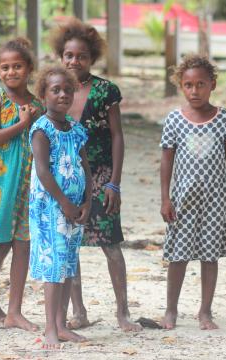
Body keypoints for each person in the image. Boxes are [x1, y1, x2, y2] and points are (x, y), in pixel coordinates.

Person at [51, 18, 142, 332]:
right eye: (69, 56)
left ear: (92, 59)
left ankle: (123, 313)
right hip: (67, 180)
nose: (75, 61)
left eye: (81, 56)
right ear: (61, 57)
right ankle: (79, 312)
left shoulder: (105, 91)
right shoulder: (54, 90)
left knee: (111, 244)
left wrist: (114, 182)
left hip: (102, 178)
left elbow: (117, 136)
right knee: (70, 245)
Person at [159, 54, 226, 330]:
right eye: (189, 85)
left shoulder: (224, 118)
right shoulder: (174, 120)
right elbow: (167, 161)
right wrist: (166, 198)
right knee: (178, 255)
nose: (195, 91)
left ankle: (205, 311)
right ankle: (171, 310)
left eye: (201, 84)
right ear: (181, 86)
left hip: (217, 199)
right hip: (184, 199)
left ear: (212, 85)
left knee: (209, 255)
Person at [0, 37, 44, 331]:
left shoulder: (38, 105)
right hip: (2, 183)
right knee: (0, 242)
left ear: (29, 68)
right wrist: (21, 124)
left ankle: (14, 311)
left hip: (30, 184)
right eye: (4, 67)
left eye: (17, 66)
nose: (10, 72)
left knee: (24, 243)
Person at [29, 65, 92, 349]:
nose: (63, 94)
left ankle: (63, 324)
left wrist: (87, 201)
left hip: (74, 209)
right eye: (55, 90)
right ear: (43, 96)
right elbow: (43, 172)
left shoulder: (77, 129)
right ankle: (50, 328)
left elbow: (85, 168)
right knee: (54, 267)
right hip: (50, 208)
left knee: (67, 265)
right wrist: (65, 203)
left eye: (67, 90)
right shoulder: (41, 129)